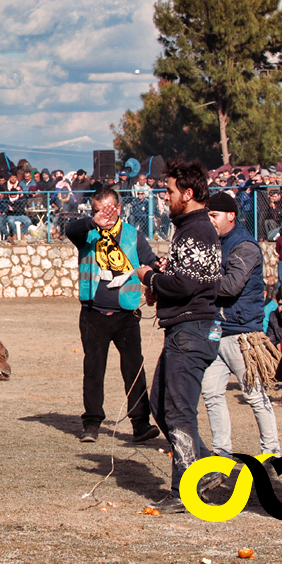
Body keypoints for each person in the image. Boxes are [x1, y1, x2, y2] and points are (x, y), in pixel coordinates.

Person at [135, 156, 222, 514]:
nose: (165, 197)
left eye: (169, 191)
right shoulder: (190, 229)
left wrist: (150, 278)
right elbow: (188, 277)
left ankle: (184, 492)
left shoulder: (197, 229)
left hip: (192, 330)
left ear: (187, 193)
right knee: (159, 404)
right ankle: (207, 467)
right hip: (184, 329)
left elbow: (186, 284)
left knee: (179, 412)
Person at [65, 187, 161, 444]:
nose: (102, 215)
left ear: (118, 209)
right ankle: (91, 423)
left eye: (106, 210)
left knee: (134, 369)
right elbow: (70, 230)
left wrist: (156, 277)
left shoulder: (133, 235)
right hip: (93, 314)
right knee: (93, 369)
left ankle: (141, 424)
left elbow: (149, 262)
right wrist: (91, 222)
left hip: (127, 314)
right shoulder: (87, 233)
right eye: (97, 211)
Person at [200, 193, 280, 463]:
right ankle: (221, 453)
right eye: (208, 215)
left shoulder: (245, 245)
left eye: (214, 215)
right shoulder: (213, 242)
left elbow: (232, 285)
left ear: (230, 215)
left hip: (242, 332)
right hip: (215, 330)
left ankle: (271, 452)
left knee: (255, 396)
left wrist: (196, 283)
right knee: (211, 394)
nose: (209, 220)